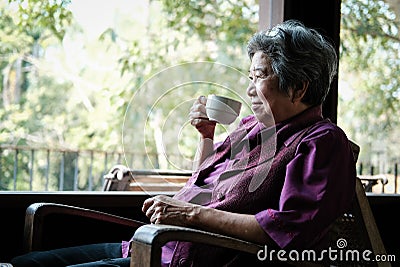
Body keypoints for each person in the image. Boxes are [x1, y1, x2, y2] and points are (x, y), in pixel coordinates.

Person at [11, 19, 356, 267]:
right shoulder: (252, 128)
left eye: (261, 76)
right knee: (24, 264)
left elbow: (288, 229)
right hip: (146, 246)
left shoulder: (321, 142)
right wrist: (206, 137)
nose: (250, 88)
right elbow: (203, 183)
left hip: (176, 258)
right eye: (249, 76)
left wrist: (187, 214)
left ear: (299, 87)